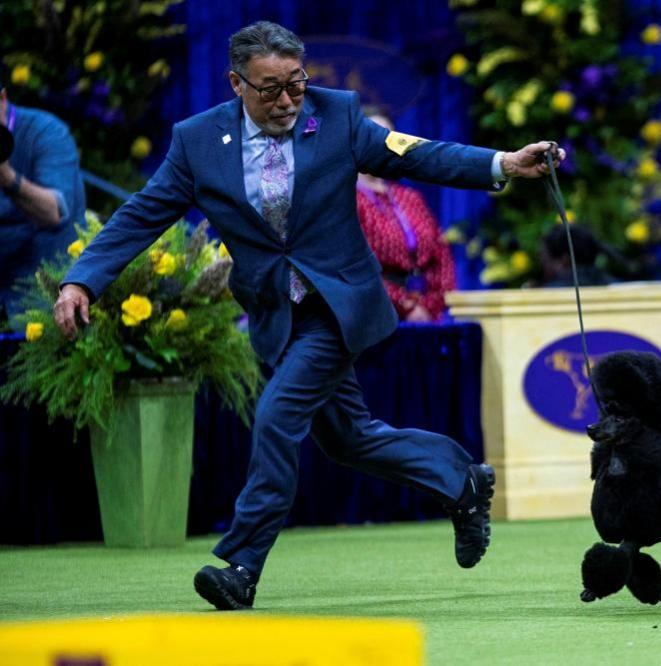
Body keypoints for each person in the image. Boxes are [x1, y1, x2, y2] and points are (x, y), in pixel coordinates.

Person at [52, 21, 565, 610]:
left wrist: (502, 162)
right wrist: (79, 279)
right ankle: (461, 480)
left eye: (295, 84)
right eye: (270, 89)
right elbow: (141, 215)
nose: (287, 100)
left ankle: (242, 565)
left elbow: (418, 155)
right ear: (235, 84)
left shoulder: (339, 114)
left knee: (275, 417)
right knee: (349, 439)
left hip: (339, 307)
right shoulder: (197, 142)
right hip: (278, 314)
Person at [0, 64, 85, 321]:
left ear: (2, 99)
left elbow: (54, 213)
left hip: (51, 297)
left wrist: (6, 177)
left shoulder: (46, 132)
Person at [356, 110, 455, 322]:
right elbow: (355, 266)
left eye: (388, 138)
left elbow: (441, 254)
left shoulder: (409, 197)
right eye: (372, 137)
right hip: (374, 315)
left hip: (425, 314)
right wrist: (406, 306)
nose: (381, 145)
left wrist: (431, 306)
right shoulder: (347, 198)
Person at [538, 223, 612, 288]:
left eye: (545, 261)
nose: (542, 267)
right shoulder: (618, 286)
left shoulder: (547, 293)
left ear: (564, 261)